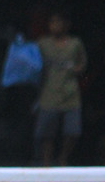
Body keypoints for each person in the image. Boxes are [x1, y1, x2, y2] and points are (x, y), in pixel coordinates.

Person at [33, 11, 87, 166]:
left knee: (73, 131)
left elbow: (83, 64)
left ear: (66, 25)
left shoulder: (75, 44)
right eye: (52, 22)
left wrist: (75, 69)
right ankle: (46, 166)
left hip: (70, 94)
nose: (54, 26)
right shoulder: (43, 44)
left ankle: (63, 158)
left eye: (58, 22)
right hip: (48, 94)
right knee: (46, 134)